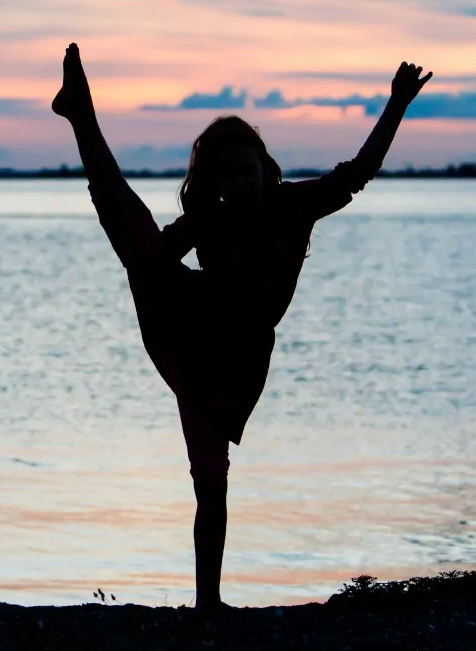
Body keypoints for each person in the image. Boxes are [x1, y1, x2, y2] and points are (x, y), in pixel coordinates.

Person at [51, 43, 431, 611]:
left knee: (214, 482)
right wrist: (158, 258)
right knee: (133, 237)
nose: (238, 180)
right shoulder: (209, 217)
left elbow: (359, 173)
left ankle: (210, 600)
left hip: (239, 350)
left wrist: (396, 104)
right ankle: (82, 117)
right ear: (212, 181)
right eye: (225, 173)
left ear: (264, 166)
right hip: (194, 334)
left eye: (246, 168)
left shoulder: (294, 204)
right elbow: (153, 258)